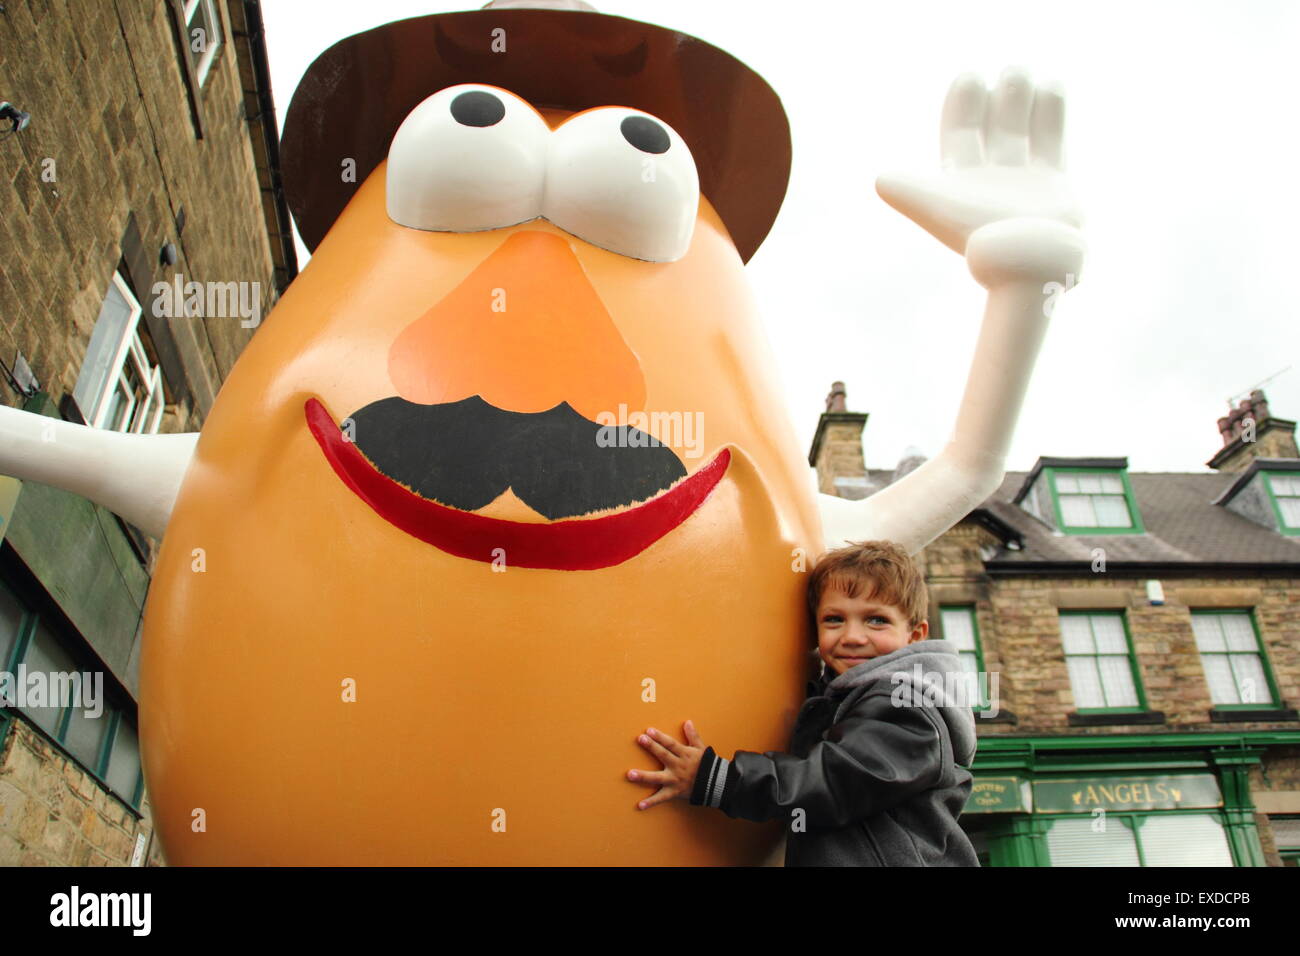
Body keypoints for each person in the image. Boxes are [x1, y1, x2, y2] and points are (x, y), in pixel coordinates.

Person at [626, 539, 981, 866]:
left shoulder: (907, 704)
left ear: (915, 635)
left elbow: (834, 782)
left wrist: (716, 778)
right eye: (834, 620)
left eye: (877, 620)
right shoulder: (847, 697)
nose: (853, 637)